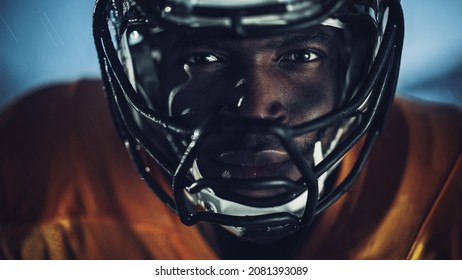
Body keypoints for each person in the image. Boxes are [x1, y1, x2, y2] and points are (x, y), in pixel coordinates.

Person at [0, 0, 461, 260]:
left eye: (300, 56)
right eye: (203, 58)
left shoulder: (448, 180)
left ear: (356, 68)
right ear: (145, 72)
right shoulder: (39, 164)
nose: (256, 109)